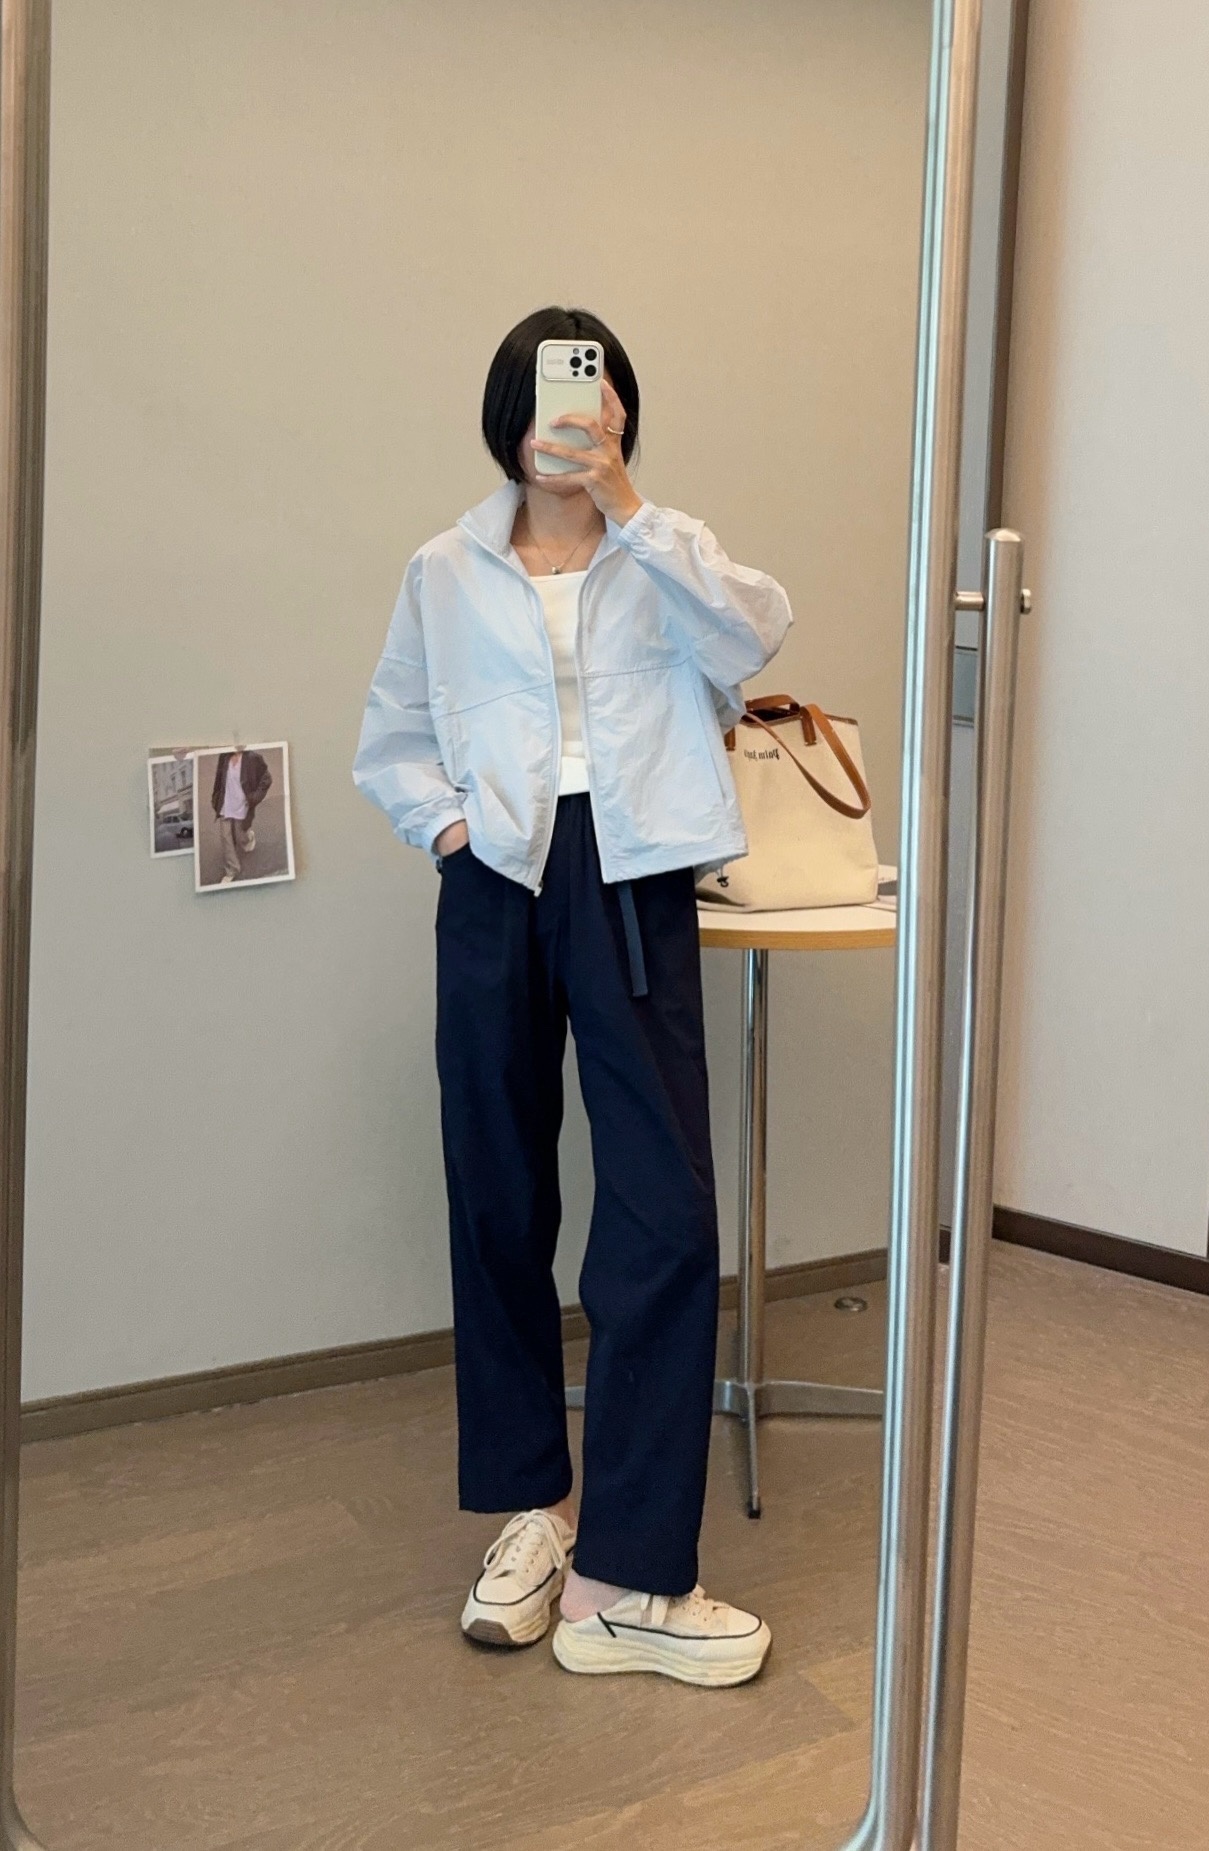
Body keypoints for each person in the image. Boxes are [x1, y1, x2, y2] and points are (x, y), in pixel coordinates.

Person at [354, 306, 792, 1688]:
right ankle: (536, 1514)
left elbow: (754, 639)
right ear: (508, 413)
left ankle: (628, 1573)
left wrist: (629, 504)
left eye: (595, 391)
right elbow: (391, 735)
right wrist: (448, 830)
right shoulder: (443, 567)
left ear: (617, 410)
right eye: (549, 391)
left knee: (661, 1209)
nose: (570, 410)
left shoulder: (666, 553)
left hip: (633, 871)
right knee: (495, 1190)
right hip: (496, 875)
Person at [211, 747, 271, 886]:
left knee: (240, 835)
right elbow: (218, 780)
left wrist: (255, 797)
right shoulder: (224, 756)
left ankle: (248, 837)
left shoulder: (252, 757)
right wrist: (215, 799)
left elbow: (266, 779)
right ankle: (232, 870)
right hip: (226, 804)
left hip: (242, 804)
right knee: (225, 837)